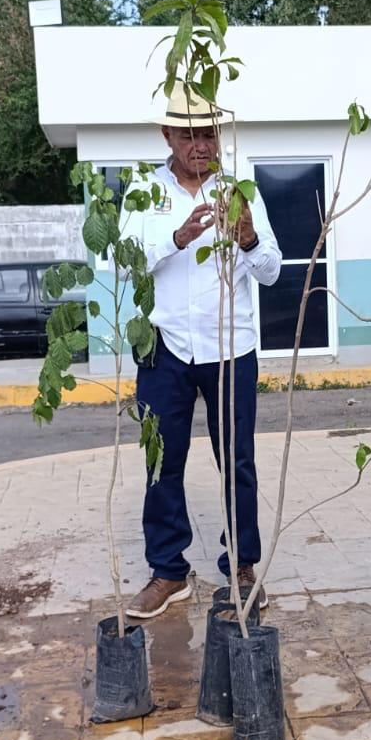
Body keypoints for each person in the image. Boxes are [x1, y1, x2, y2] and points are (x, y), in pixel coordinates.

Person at [123, 88, 283, 620]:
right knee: (160, 462)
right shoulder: (143, 189)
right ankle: (169, 571)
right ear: (166, 136)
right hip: (163, 347)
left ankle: (240, 565)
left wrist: (250, 239)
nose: (199, 144)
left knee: (237, 462)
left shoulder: (241, 190)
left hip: (231, 347)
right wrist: (177, 236)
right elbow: (124, 263)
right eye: (187, 133)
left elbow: (272, 271)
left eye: (207, 132)